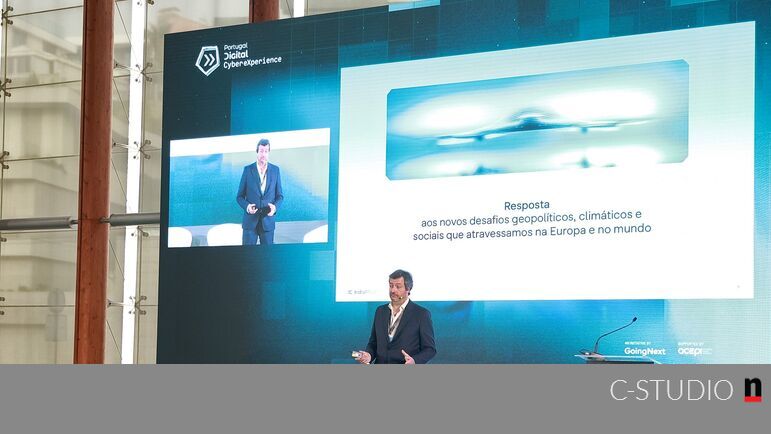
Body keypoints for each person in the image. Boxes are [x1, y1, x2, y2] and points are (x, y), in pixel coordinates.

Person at [356, 269, 436, 364]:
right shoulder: (380, 311)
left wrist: (414, 361)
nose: (393, 290)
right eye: (391, 286)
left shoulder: (421, 314)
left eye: (398, 286)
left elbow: (430, 349)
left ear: (408, 288)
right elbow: (373, 343)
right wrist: (369, 355)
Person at [236, 138, 283, 245]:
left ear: (269, 153)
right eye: (261, 151)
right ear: (257, 152)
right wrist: (247, 207)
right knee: (247, 254)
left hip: (268, 221)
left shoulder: (275, 170)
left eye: (266, 151)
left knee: (267, 254)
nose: (263, 154)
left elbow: (280, 196)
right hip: (250, 222)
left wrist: (275, 207)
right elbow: (239, 197)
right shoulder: (248, 170)